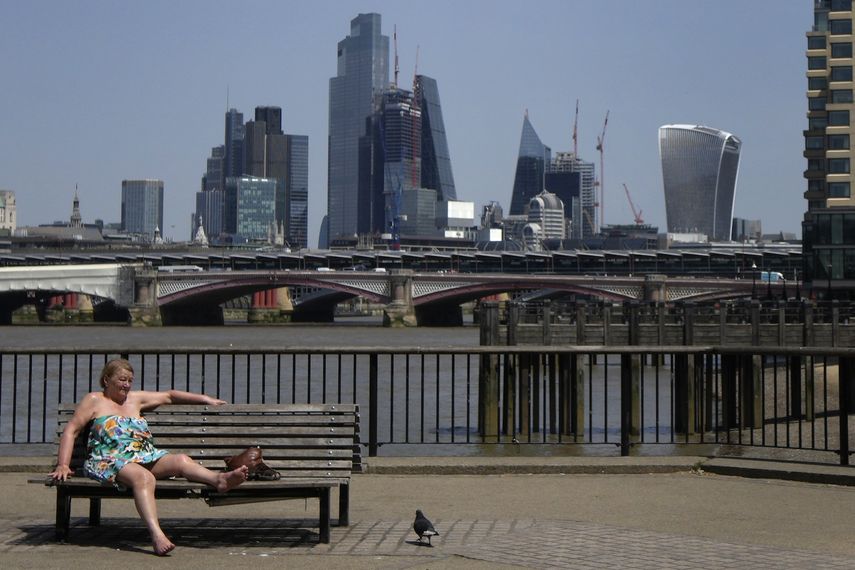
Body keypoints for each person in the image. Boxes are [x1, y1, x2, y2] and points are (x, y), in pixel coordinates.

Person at [49, 358, 249, 556]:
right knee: (144, 478)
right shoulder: (94, 400)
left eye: (129, 380)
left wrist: (205, 399)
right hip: (108, 460)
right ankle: (157, 534)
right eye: (122, 380)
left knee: (181, 460)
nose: (126, 385)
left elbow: (169, 396)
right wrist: (63, 465)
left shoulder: (136, 399)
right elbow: (71, 431)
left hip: (144, 456)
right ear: (107, 379)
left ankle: (219, 480)